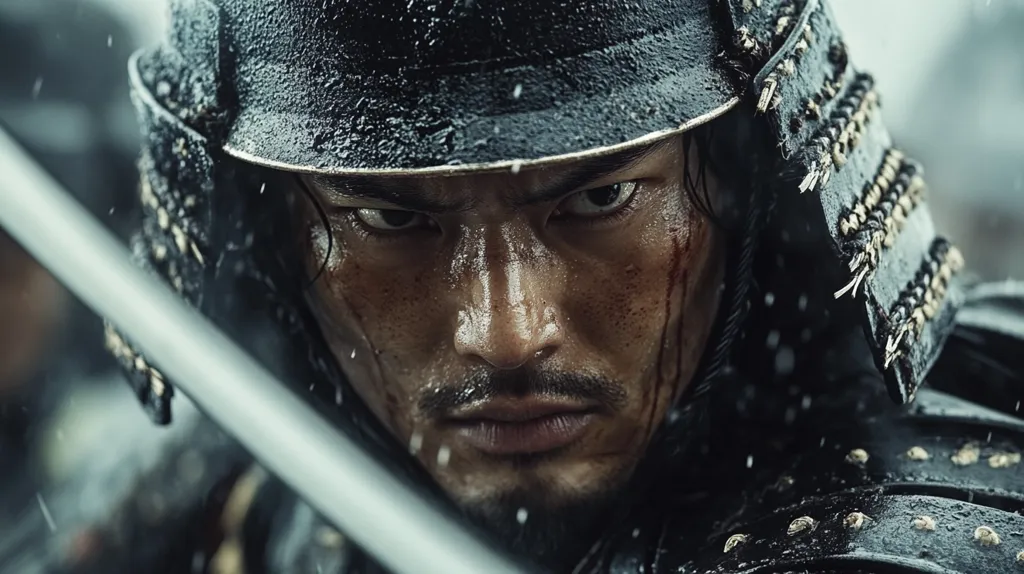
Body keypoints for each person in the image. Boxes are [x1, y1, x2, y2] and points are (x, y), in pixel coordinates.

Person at [51, 0, 1024, 572]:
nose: (506, 332)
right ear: (274, 240)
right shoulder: (244, 502)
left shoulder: (915, 530)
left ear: (741, 181)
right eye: (392, 220)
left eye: (599, 199)